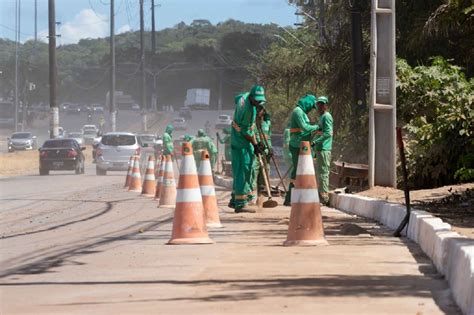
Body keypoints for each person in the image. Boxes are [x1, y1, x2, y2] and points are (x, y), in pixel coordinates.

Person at [229, 85, 266, 213]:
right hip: (241, 142)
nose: (258, 103)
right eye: (257, 101)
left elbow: (250, 127)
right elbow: (246, 131)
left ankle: (235, 199)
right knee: (243, 170)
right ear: (252, 98)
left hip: (239, 139)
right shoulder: (248, 111)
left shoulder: (245, 97)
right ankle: (240, 204)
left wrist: (255, 143)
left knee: (242, 168)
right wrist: (255, 144)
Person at [283, 94, 319, 206]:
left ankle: (297, 197)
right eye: (311, 106)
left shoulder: (303, 113)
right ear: (307, 103)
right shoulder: (298, 111)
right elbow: (305, 127)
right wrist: (318, 127)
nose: (311, 109)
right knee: (297, 171)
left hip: (303, 145)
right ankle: (289, 198)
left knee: (302, 171)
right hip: (296, 145)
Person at [312, 96, 333, 205]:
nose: (319, 106)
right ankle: (321, 196)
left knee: (324, 172)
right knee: (320, 173)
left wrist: (316, 142)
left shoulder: (326, 116)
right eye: (318, 104)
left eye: (322, 104)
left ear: (326, 105)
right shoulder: (321, 117)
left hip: (324, 148)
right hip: (320, 149)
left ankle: (324, 198)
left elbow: (328, 133)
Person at [253, 107, 272, 197]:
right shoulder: (253, 124)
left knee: (265, 172)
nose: (260, 112)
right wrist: (258, 145)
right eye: (258, 110)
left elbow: (269, 137)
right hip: (256, 152)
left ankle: (260, 198)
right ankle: (251, 197)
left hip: (266, 152)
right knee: (254, 172)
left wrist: (270, 148)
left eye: (262, 110)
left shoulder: (266, 124)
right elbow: (253, 136)